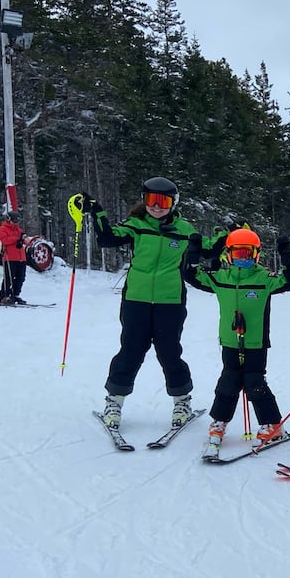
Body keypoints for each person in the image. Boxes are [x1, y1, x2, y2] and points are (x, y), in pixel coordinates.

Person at [85, 176, 200, 430]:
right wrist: (96, 210)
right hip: (136, 300)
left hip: (170, 301)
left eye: (163, 201)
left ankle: (182, 400)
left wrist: (230, 236)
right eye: (150, 200)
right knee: (131, 350)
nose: (156, 206)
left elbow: (208, 250)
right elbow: (108, 238)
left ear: (174, 202)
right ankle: (114, 401)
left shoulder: (184, 230)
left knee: (169, 351)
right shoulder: (136, 225)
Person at [183, 228, 290, 457]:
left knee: (254, 381)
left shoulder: (264, 280)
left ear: (256, 255)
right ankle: (219, 422)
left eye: (248, 254)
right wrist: (193, 252)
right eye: (238, 254)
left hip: (256, 343)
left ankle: (272, 425)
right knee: (229, 381)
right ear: (228, 254)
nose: (242, 259)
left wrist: (287, 256)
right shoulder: (221, 279)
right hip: (230, 342)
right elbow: (190, 275)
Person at [0, 210, 27, 305]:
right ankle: (4, 296)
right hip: (9, 257)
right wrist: (17, 239)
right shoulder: (2, 229)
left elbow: (24, 240)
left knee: (20, 277)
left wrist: (26, 239)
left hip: (21, 257)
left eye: (18, 221)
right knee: (8, 278)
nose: (16, 223)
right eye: (15, 220)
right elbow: (5, 240)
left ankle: (15, 295)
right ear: (9, 219)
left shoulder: (18, 229)